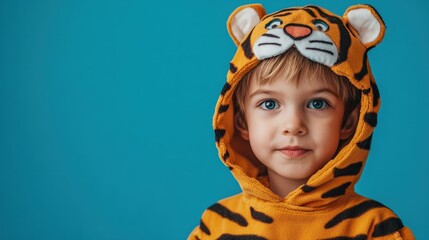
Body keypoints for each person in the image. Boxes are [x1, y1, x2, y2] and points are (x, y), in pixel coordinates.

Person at [189, 4, 415, 239]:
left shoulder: (375, 228)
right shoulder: (217, 226)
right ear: (242, 123)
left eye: (317, 103)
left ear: (349, 122)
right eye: (269, 104)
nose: (294, 125)